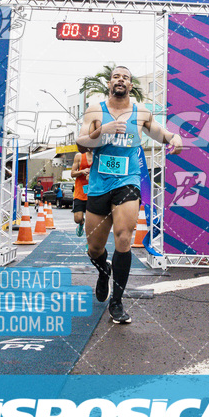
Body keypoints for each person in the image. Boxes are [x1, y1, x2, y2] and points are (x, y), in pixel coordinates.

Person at [77, 66, 182, 325]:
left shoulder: (141, 111)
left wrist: (172, 138)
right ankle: (104, 272)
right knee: (94, 248)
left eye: (125, 77)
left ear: (131, 84)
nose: (120, 79)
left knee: (124, 238)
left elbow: (158, 131)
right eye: (116, 76)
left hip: (128, 180)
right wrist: (103, 130)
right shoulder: (94, 110)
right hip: (100, 183)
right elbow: (81, 144)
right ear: (109, 83)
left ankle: (117, 301)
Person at [71, 148, 92, 237]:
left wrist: (92, 176)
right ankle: (81, 222)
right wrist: (81, 171)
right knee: (77, 218)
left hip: (93, 193)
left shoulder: (99, 157)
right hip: (80, 192)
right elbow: (72, 173)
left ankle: (89, 243)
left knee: (91, 222)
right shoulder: (79, 156)